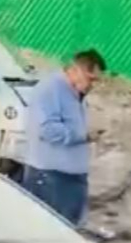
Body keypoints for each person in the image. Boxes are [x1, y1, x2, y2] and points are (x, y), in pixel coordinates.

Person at [20, 48, 108, 225]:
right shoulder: (50, 89)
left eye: (96, 81)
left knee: (71, 233)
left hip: (70, 179)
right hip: (51, 177)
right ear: (75, 70)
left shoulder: (75, 93)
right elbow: (48, 131)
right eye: (90, 79)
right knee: (52, 235)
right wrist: (85, 135)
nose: (93, 85)